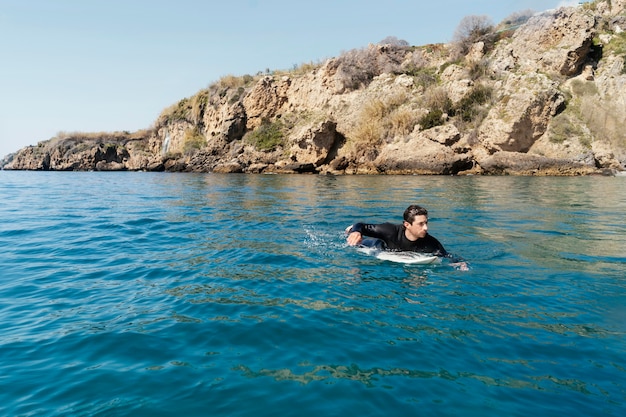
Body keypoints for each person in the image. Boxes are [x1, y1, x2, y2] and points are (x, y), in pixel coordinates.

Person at [345, 204, 449, 257]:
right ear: (407, 224)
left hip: (397, 253)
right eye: (421, 224)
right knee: (359, 239)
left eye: (426, 223)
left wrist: (458, 263)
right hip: (374, 245)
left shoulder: (430, 242)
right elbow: (361, 225)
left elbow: (447, 256)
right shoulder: (390, 231)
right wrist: (356, 231)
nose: (426, 228)